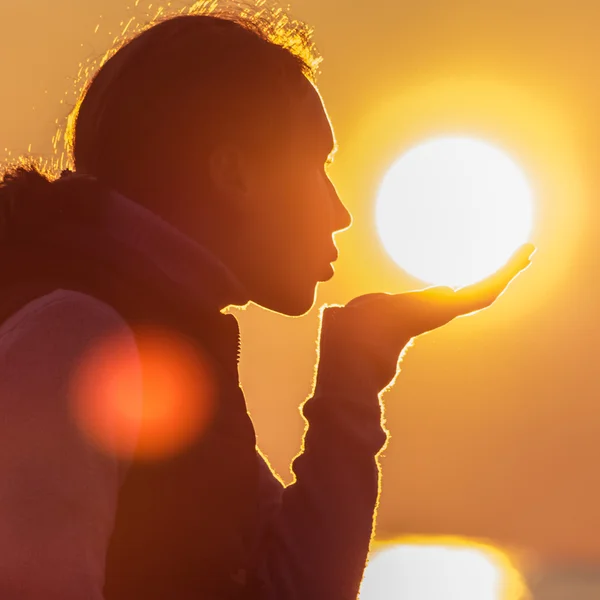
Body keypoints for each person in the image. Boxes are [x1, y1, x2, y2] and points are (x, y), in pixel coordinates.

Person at [0, 4, 536, 599]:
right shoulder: (72, 337)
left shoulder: (167, 344)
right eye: (319, 164)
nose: (340, 213)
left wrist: (355, 371)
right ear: (236, 174)